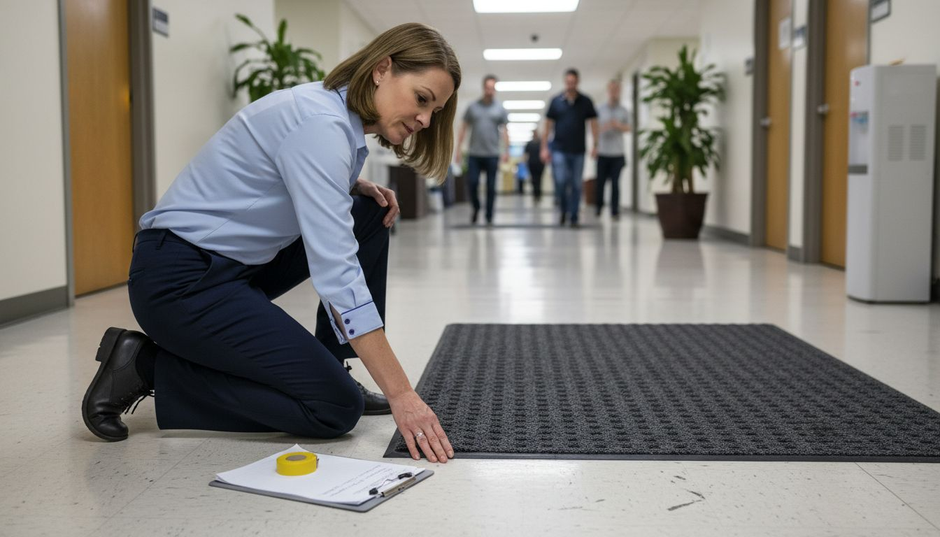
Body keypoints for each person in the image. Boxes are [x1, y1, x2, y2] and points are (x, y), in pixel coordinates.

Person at [81, 23, 460, 464]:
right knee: (334, 409)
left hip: (226, 266)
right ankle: (145, 364)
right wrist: (402, 394)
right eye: (421, 99)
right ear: (382, 69)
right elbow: (337, 272)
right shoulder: (320, 124)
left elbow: (284, 172)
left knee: (370, 213)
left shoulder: (329, 115)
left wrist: (348, 185)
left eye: (435, 111)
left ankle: (331, 363)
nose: (425, 120)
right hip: (179, 282)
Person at [540, 68, 598, 227]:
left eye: (573, 82)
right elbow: (548, 126)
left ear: (577, 82)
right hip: (559, 149)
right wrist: (544, 147)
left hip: (578, 150)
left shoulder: (586, 101)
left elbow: (593, 124)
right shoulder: (556, 101)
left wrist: (595, 145)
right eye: (568, 82)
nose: (570, 85)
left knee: (576, 183)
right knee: (560, 180)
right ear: (565, 82)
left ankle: (573, 216)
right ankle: (564, 210)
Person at [455, 75, 509, 225]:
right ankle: (476, 207)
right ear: (483, 87)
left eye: (492, 88)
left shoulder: (499, 109)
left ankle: (489, 215)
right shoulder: (473, 107)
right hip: (474, 154)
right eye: (487, 88)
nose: (489, 91)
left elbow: (505, 131)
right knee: (472, 183)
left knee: (491, 187)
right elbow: (463, 128)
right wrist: (458, 150)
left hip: (492, 154)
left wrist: (506, 151)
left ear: (495, 89)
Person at [595, 79, 631, 219]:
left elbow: (629, 128)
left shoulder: (624, 111)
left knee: (615, 183)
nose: (614, 93)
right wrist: (606, 127)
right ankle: (599, 207)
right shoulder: (599, 110)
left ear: (619, 91)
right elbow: (594, 129)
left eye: (616, 90)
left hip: (618, 153)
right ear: (608, 91)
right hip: (603, 152)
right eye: (612, 90)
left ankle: (614, 210)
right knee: (601, 183)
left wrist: (618, 126)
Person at [523, 130, 545, 204]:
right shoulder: (529, 144)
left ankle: (538, 195)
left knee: (539, 179)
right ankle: (535, 195)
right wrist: (525, 163)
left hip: (540, 164)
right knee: (534, 180)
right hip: (531, 164)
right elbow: (526, 154)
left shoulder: (541, 143)